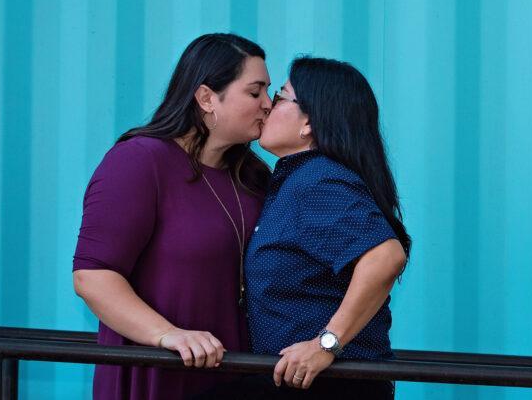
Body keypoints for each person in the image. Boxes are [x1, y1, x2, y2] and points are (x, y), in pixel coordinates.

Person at [72, 33, 272, 399]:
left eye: (269, 93)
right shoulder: (138, 161)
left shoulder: (254, 177)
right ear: (207, 98)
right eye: (255, 92)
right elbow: (93, 277)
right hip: (160, 374)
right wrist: (168, 335)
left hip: (235, 377)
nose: (268, 105)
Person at [202, 56, 410, 399]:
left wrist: (326, 344)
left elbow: (386, 257)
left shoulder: (318, 181)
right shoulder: (296, 180)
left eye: (281, 96)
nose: (267, 106)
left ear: (309, 123)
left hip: (329, 387)